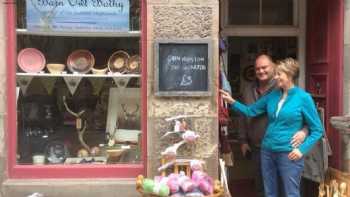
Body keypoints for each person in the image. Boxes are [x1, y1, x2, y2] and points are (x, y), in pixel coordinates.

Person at [221, 58, 324, 197]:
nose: (275, 77)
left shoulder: (303, 97)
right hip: (267, 151)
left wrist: (301, 149)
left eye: (279, 74)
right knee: (270, 192)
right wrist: (232, 101)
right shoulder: (273, 95)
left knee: (290, 193)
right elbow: (250, 111)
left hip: (289, 153)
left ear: (290, 74)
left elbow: (317, 129)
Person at [238, 54, 307, 197]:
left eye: (264, 67)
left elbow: (305, 120)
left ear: (274, 68)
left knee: (287, 188)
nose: (261, 71)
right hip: (260, 147)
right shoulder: (248, 89)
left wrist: (304, 132)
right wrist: (243, 140)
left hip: (285, 148)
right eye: (258, 69)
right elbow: (246, 113)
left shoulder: (283, 88)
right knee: (262, 187)